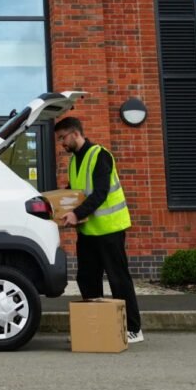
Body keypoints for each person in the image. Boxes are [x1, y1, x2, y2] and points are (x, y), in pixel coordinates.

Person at [53, 116, 143, 343]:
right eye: (59, 139)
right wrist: (56, 202)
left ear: (75, 133)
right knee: (87, 278)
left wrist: (76, 214)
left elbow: (100, 193)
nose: (61, 143)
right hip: (88, 232)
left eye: (63, 138)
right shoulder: (74, 161)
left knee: (118, 279)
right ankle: (93, 327)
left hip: (110, 229)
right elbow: (76, 192)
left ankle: (133, 328)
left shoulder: (99, 155)